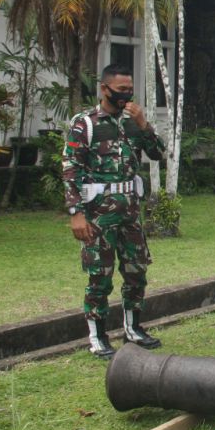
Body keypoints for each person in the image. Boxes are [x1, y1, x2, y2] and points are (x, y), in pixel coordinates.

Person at [62, 63, 165, 359]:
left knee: (136, 270)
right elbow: (71, 170)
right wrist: (76, 213)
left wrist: (144, 124)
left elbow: (157, 153)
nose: (126, 95)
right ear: (104, 89)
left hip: (130, 212)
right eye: (121, 90)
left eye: (129, 89)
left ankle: (133, 328)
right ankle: (97, 335)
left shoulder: (132, 121)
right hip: (99, 215)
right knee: (100, 275)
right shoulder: (86, 123)